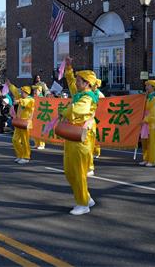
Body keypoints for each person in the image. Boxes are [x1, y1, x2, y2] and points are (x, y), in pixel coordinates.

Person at [62, 57, 98, 215]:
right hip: (72, 136)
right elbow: (70, 82)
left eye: (79, 80)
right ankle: (87, 197)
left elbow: (77, 110)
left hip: (81, 138)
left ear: (87, 83)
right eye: (76, 79)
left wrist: (62, 111)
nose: (75, 82)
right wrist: (69, 68)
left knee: (77, 171)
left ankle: (83, 204)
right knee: (69, 171)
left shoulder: (88, 97)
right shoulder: (79, 94)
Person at [7, 81, 35, 164]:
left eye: (22, 92)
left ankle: (26, 157)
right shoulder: (21, 97)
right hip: (19, 123)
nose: (21, 93)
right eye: (21, 91)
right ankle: (20, 155)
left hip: (26, 123)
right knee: (15, 140)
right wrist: (10, 85)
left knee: (25, 141)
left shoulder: (31, 100)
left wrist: (19, 101)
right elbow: (15, 91)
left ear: (27, 93)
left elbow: (25, 103)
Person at [139, 80, 155, 167]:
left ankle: (152, 160)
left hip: (152, 123)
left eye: (148, 85)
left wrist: (145, 119)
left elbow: (154, 112)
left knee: (152, 142)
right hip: (145, 122)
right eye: (146, 85)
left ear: (153, 87)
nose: (146, 87)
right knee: (144, 141)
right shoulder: (147, 97)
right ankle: (146, 159)